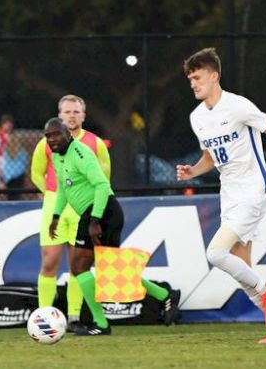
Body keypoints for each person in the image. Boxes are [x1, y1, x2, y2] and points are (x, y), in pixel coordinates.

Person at [176, 47, 266, 344]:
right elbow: (211, 157)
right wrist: (193, 171)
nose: (193, 83)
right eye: (190, 78)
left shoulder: (238, 106)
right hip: (228, 194)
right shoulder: (197, 117)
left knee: (215, 253)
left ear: (214, 76)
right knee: (243, 271)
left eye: (197, 77)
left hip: (253, 191)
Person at [45, 118, 179, 336]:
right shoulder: (58, 157)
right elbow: (63, 187)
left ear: (68, 134)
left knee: (80, 266)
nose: (52, 139)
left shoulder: (81, 154)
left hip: (103, 212)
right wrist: (56, 216)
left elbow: (101, 185)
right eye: (48, 136)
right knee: (112, 270)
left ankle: (101, 323)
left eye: (55, 134)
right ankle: (164, 295)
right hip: (91, 214)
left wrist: (95, 221)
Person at [31, 95, 111, 333]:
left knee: (78, 262)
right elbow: (36, 173)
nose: (71, 116)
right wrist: (50, 193)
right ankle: (43, 316)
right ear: (59, 115)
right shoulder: (45, 143)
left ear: (83, 116)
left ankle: (74, 316)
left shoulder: (95, 143)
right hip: (55, 203)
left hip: (82, 207)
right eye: (67, 112)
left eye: (76, 112)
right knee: (49, 261)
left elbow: (104, 177)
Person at [0, 133, 29, 200]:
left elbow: (2, 165)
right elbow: (25, 164)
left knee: (10, 195)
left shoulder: (5, 152)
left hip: (8, 178)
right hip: (19, 177)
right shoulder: (22, 152)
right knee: (16, 195)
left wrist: (2, 178)